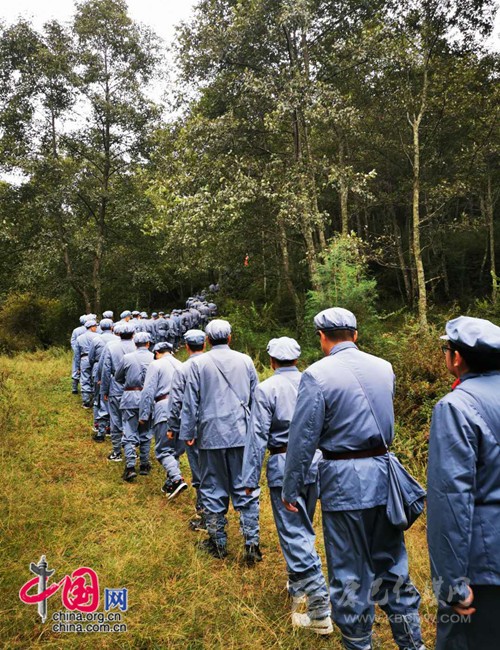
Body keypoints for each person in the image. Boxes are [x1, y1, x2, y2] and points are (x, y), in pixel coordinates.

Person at [282, 308, 424, 650]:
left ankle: (359, 644)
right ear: (355, 335)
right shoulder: (384, 367)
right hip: (385, 478)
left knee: (348, 573)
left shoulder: (316, 375)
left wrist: (292, 487)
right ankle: (412, 643)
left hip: (343, 482)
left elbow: (303, 438)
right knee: (392, 565)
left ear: (322, 337)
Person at [242, 337, 332, 635]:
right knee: (303, 527)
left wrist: (249, 479)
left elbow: (257, 436)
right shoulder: (314, 383)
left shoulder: (266, 389)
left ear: (271, 362)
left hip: (283, 464)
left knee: (295, 534)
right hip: (316, 462)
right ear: (297, 359)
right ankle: (298, 588)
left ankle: (319, 609)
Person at [427, 316, 500, 650]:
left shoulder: (456, 407)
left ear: (456, 358)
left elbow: (450, 499)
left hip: (484, 563)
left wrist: (452, 585)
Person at [179, 319, 260, 561]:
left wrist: (188, 432)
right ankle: (252, 543)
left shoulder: (198, 364)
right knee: (246, 487)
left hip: (210, 433)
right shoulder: (245, 361)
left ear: (207, 340)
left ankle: (218, 543)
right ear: (230, 337)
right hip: (241, 433)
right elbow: (256, 397)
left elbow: (190, 402)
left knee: (212, 487)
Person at [168, 329, 207, 530]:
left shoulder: (183, 369)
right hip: (215, 426)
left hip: (192, 427)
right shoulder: (212, 365)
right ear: (205, 344)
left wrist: (173, 427)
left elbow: (175, 401)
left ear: (186, 346)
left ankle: (205, 513)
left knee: (198, 471)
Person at [139, 341, 187, 500]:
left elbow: (148, 391)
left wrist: (144, 415)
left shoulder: (156, 365)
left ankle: (177, 478)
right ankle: (170, 484)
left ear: (157, 353)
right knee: (175, 450)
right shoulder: (182, 364)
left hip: (164, 407)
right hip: (183, 410)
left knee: (163, 450)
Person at [114, 331, 154, 482]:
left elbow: (118, 377)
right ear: (148, 343)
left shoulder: (127, 358)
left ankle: (130, 466)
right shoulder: (154, 358)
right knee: (146, 431)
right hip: (148, 398)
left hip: (130, 398)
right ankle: (144, 464)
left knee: (129, 431)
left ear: (135, 343)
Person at [100, 321, 136, 462]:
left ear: (119, 333)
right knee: (131, 421)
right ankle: (132, 450)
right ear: (133, 334)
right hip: (134, 388)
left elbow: (106, 370)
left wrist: (104, 390)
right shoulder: (138, 347)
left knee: (115, 420)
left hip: (116, 387)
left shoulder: (111, 347)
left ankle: (117, 452)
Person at [88, 318, 116, 442]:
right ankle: (111, 427)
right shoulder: (117, 340)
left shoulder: (96, 339)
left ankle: (99, 427)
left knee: (99, 399)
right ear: (112, 327)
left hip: (98, 370)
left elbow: (91, 357)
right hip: (115, 375)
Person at [74, 318, 99, 409]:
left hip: (84, 359)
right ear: (92, 327)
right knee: (95, 378)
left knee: (85, 379)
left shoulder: (79, 338)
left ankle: (86, 401)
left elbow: (77, 354)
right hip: (95, 360)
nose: (96, 328)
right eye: (95, 326)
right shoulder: (98, 336)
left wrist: (77, 366)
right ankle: (96, 399)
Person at [70, 315, 90, 394]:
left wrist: (76, 351)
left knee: (76, 369)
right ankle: (87, 389)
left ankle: (74, 388)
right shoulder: (90, 330)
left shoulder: (76, 330)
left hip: (78, 352)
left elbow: (73, 341)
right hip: (87, 353)